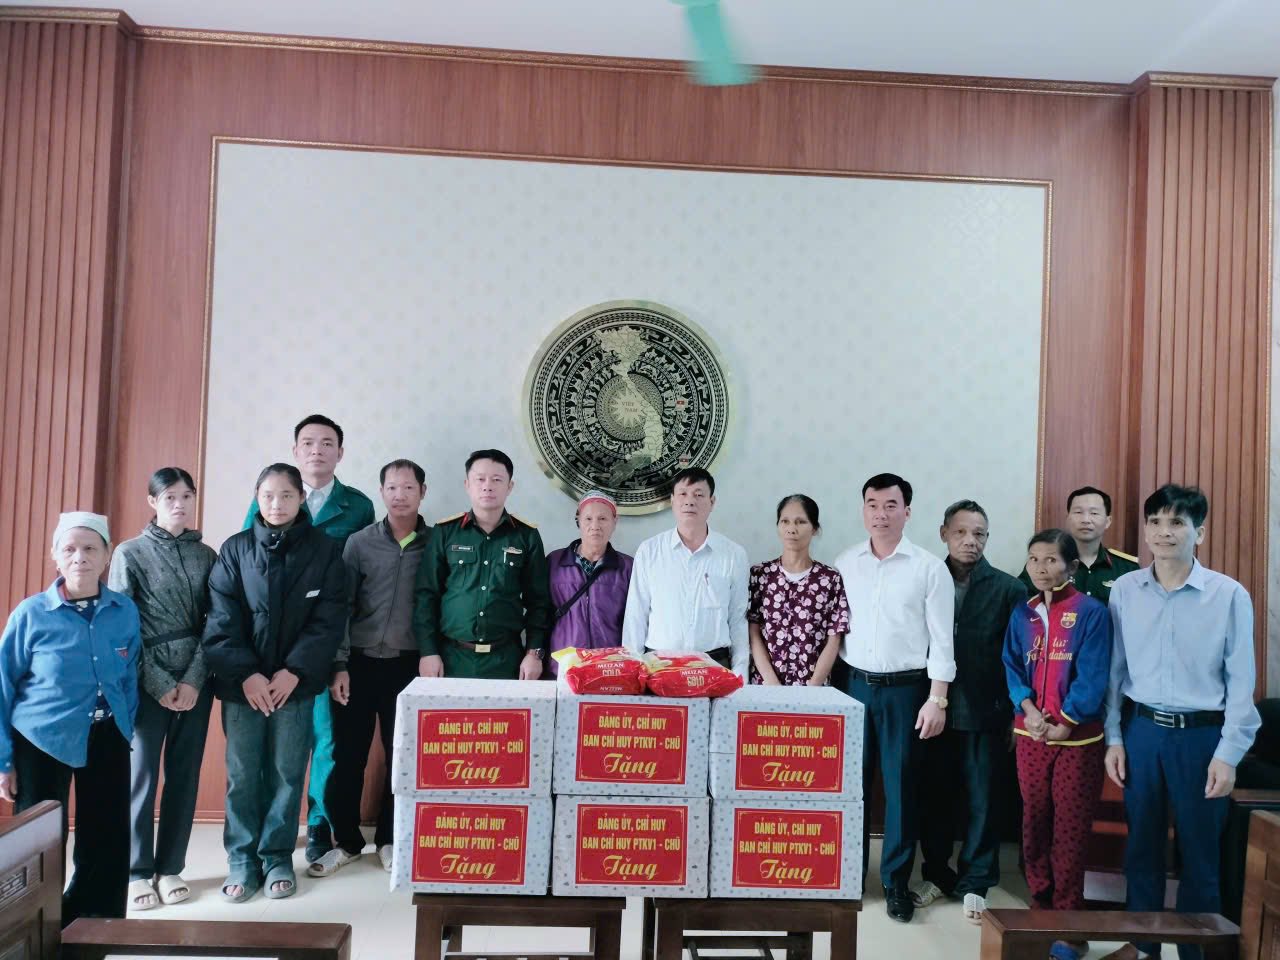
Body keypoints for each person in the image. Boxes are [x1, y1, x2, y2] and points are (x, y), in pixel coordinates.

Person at [1103, 485, 1260, 960]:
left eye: (1176, 523)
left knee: (1200, 853)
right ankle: (1142, 947)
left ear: (1199, 533)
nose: (1163, 532)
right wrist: (1114, 738)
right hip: (1142, 733)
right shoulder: (1125, 590)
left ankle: (1198, 952)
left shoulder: (1228, 595)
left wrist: (1228, 755)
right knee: (1142, 849)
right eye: (1155, 522)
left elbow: (1241, 681)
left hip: (1202, 738)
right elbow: (1115, 672)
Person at [205, 464, 348, 902]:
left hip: (295, 686)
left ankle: (278, 857)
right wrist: (248, 675)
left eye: (286, 495)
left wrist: (294, 671)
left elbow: (328, 620)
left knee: (288, 772)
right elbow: (221, 619)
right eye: (268, 495)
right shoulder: (235, 549)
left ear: (301, 499)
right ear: (257, 498)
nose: (277, 504)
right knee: (243, 773)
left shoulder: (324, 551)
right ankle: (242, 860)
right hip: (242, 688)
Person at [242, 414, 374, 865]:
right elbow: (247, 561)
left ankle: (318, 823)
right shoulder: (269, 497)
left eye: (327, 443)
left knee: (325, 738)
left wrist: (340, 657)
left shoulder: (357, 507)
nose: (317, 450)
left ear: (340, 452)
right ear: (296, 451)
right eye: (308, 443)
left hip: (325, 640)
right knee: (269, 744)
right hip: (270, 645)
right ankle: (266, 829)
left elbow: (356, 584)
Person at [0, 512, 140, 924]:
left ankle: (97, 924)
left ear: (107, 555)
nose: (80, 557)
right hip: (41, 739)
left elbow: (130, 674)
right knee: (40, 842)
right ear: (55, 557)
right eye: (70, 549)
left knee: (108, 834)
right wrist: (4, 761)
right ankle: (35, 927)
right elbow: (3, 685)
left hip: (108, 734)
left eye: (90, 548)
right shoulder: (31, 614)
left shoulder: (124, 610)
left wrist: (125, 725)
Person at [835, 472, 954, 924]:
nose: (880, 514)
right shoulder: (846, 563)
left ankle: (895, 883)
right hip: (853, 687)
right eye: (872, 505)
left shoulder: (929, 568)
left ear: (907, 511)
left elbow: (942, 640)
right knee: (852, 786)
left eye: (890, 505)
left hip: (907, 691)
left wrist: (937, 699)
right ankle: (849, 875)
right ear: (862, 510)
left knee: (901, 788)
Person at [314, 459, 430, 878]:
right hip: (357, 664)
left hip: (409, 667)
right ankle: (345, 842)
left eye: (408, 487)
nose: (400, 495)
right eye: (392, 488)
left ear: (423, 492)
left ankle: (388, 840)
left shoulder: (436, 544)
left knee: (402, 758)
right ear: (381, 493)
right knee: (347, 756)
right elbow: (341, 607)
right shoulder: (359, 543)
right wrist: (339, 664)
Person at [913, 499, 1027, 922]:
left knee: (984, 801)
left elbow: (1020, 658)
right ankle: (936, 875)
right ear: (943, 533)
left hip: (986, 711)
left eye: (979, 534)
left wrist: (1015, 713)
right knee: (936, 798)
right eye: (960, 532)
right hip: (932, 709)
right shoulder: (925, 576)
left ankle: (976, 881)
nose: (970, 541)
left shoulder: (1009, 589)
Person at [108, 468, 216, 911]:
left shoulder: (206, 554)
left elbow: (217, 624)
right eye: (170, 496)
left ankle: (170, 867)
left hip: (196, 676)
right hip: (144, 679)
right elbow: (120, 627)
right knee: (142, 776)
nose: (179, 504)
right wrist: (158, 682)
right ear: (152, 502)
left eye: (187, 496)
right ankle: (136, 871)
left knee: (184, 775)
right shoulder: (129, 552)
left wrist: (193, 680)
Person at [1004, 529, 1112, 960]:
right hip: (1029, 734)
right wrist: (1028, 709)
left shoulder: (1091, 612)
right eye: (1034, 559)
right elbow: (1012, 665)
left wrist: (1066, 721)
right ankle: (1040, 907)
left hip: (1078, 739)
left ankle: (1069, 924)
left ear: (1071, 566)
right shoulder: (1023, 612)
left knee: (1069, 829)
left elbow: (1094, 673)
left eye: (1051, 560)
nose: (1041, 568)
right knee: (1034, 822)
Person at [412, 449, 552, 680]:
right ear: (467, 485)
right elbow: (427, 594)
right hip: (450, 658)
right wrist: (428, 652)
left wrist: (534, 653)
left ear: (510, 486)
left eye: (497, 480)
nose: (488, 486)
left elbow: (539, 602)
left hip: (507, 660)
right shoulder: (445, 532)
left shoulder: (526, 536)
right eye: (480, 479)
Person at [623, 467, 750, 675]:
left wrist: (740, 673)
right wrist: (633, 672)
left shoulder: (734, 555)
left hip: (715, 666)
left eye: (699, 495)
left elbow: (738, 620)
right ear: (672, 501)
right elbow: (635, 616)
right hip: (659, 667)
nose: (690, 501)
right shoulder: (649, 551)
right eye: (683, 494)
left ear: (712, 502)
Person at [747, 494, 848, 686]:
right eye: (785, 521)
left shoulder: (830, 579)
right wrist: (772, 682)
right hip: (766, 685)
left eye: (801, 522)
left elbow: (834, 638)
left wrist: (813, 686)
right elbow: (753, 632)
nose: (792, 529)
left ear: (815, 529)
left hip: (813, 687)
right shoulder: (760, 575)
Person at [546, 490, 633, 672]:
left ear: (614, 522)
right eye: (588, 519)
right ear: (578, 520)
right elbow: (539, 613)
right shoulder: (554, 562)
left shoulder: (628, 567)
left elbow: (635, 622)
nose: (595, 526)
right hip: (564, 665)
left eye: (603, 519)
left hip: (610, 667)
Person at [1020, 486, 1138, 604]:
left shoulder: (1128, 569)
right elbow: (1023, 607)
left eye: (1094, 513)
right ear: (1068, 519)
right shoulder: (1041, 563)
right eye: (1078, 512)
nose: (1085, 520)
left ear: (1108, 521)